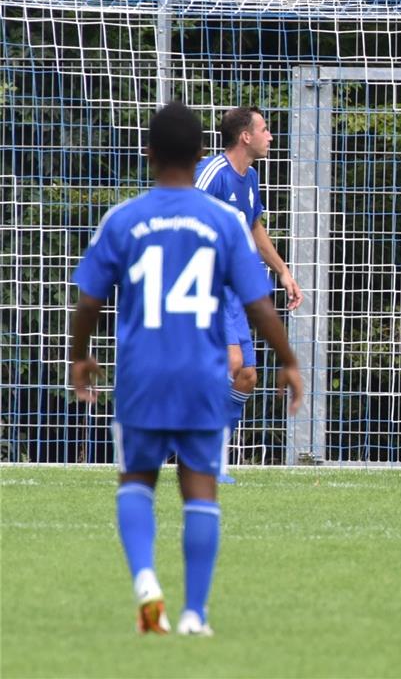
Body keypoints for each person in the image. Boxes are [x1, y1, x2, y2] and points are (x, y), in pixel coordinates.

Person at [69, 102, 303, 636]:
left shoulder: (123, 217)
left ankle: (148, 587)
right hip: (200, 373)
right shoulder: (220, 220)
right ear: (201, 154)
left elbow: (88, 300)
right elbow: (259, 305)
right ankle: (195, 613)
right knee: (200, 489)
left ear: (148, 154)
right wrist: (289, 360)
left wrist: (81, 355)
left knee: (137, 482)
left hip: (141, 374)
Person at [194, 107, 304, 482]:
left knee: (247, 377)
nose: (270, 136)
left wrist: (284, 271)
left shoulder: (250, 177)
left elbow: (254, 227)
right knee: (232, 360)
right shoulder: (211, 174)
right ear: (245, 136)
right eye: (264, 129)